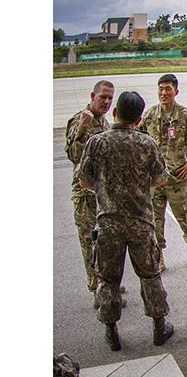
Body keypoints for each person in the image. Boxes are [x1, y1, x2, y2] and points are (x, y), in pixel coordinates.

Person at [77, 91, 174, 351]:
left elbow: (84, 180)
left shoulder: (96, 143)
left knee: (108, 279)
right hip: (141, 223)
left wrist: (106, 188)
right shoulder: (147, 143)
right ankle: (158, 327)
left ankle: (111, 331)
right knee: (150, 275)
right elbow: (160, 178)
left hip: (108, 223)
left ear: (115, 113)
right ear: (140, 119)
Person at [140, 74, 187, 271]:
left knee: (185, 216)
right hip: (154, 180)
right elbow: (139, 139)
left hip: (177, 179)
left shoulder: (186, 116)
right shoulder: (150, 116)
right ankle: (159, 256)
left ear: (176, 91)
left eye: (168, 89)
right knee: (155, 220)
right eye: (160, 89)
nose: (163, 93)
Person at [66, 80, 114, 297]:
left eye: (110, 98)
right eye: (102, 97)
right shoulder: (80, 119)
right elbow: (73, 155)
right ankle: (96, 289)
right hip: (85, 194)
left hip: (102, 193)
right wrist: (83, 127)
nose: (106, 101)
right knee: (89, 242)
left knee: (104, 241)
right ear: (92, 96)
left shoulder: (104, 122)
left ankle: (105, 281)